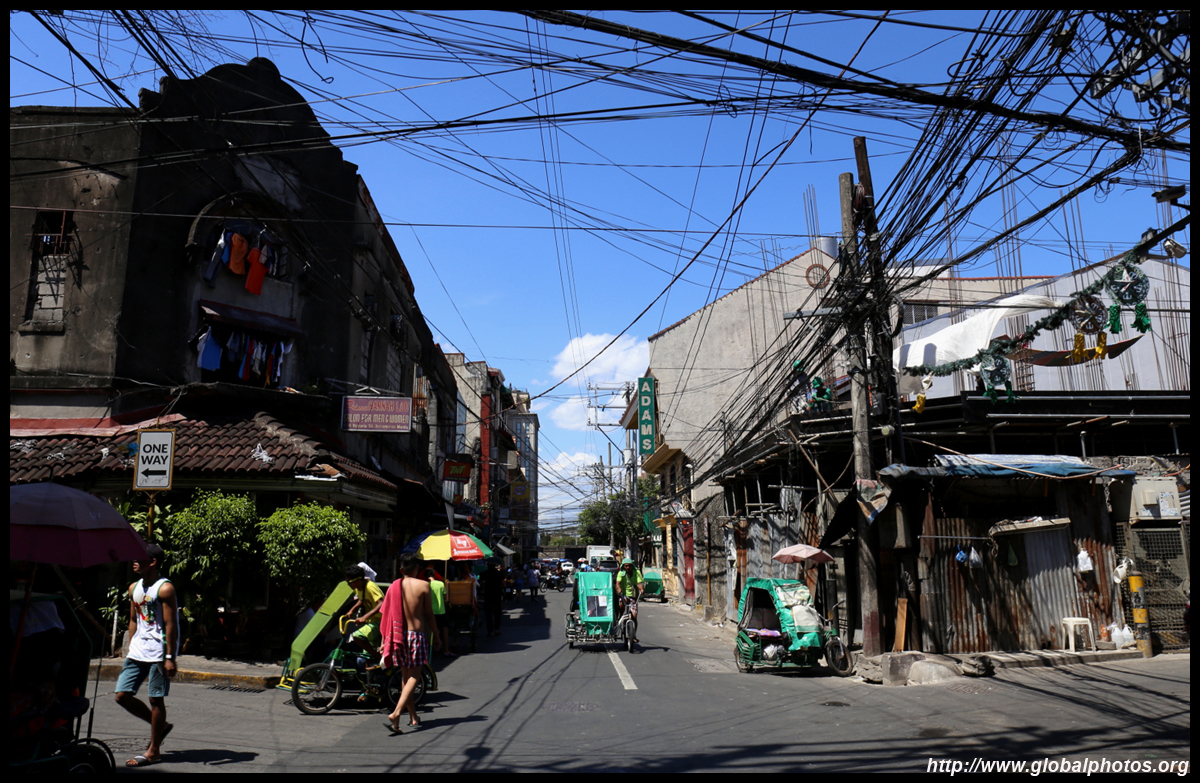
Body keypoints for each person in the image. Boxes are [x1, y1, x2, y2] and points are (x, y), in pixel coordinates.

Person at [114, 544, 178, 767]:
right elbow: (134, 619)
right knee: (122, 695)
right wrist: (131, 645)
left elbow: (171, 624)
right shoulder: (134, 588)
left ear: (152, 562)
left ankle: (154, 751)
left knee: (155, 699)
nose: (134, 561)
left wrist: (170, 657)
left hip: (158, 652)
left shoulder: (165, 588)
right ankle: (161, 727)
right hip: (138, 651)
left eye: (139, 558)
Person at [380, 554, 440, 734]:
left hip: (398, 635)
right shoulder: (424, 585)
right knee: (415, 676)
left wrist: (384, 640)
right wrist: (437, 636)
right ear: (417, 569)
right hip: (416, 635)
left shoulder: (394, 586)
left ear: (401, 570)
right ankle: (396, 713)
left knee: (406, 679)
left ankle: (412, 717)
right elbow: (429, 614)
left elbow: (386, 615)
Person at [343, 564, 384, 666]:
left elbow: (381, 603)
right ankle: (372, 671)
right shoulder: (359, 588)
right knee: (366, 658)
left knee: (357, 636)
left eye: (349, 582)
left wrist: (364, 617)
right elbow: (362, 599)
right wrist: (352, 610)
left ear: (357, 580)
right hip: (372, 622)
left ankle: (379, 658)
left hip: (380, 622)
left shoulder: (370, 587)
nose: (348, 585)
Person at [423, 568, 455, 657]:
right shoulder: (441, 584)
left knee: (430, 630)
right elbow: (445, 596)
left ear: (425, 576)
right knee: (444, 629)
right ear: (434, 575)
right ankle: (446, 650)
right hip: (441, 611)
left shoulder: (425, 585)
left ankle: (430, 650)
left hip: (429, 611)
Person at [615, 557, 645, 645]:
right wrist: (619, 589)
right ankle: (620, 617)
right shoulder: (621, 573)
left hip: (633, 596)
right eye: (626, 566)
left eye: (629, 566)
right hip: (623, 595)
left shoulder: (637, 572)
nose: (628, 567)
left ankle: (633, 635)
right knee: (621, 605)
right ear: (623, 566)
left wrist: (641, 589)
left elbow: (639, 583)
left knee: (634, 617)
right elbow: (618, 583)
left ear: (632, 566)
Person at [478, 559, 504, 637]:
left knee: (488, 614)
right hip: (497, 594)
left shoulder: (485, 573)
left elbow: (480, 583)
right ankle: (496, 629)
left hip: (488, 595)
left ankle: (490, 631)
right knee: (497, 613)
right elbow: (503, 584)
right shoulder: (499, 573)